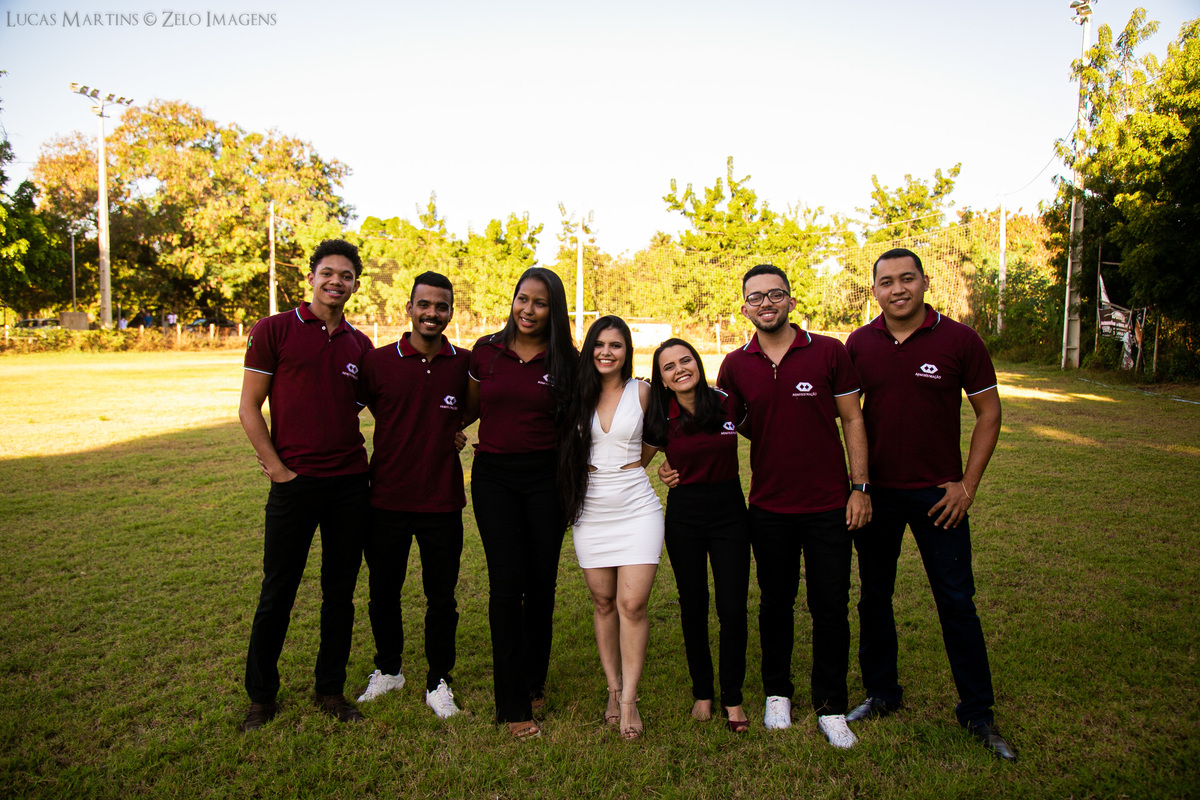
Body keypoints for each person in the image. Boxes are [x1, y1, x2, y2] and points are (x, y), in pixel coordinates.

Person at [675, 263, 871, 750]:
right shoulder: (735, 365)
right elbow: (717, 426)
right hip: (767, 506)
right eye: (756, 297)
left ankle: (831, 705)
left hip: (829, 504)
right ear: (744, 308)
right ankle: (777, 692)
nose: (766, 303)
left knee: (830, 605)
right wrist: (672, 463)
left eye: (775, 294)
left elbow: (851, 419)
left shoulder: (828, 351)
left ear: (790, 301)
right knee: (775, 604)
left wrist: (860, 487)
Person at [845, 248, 1015, 761]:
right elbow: (845, 417)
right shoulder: (858, 344)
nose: (897, 289)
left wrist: (967, 485)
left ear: (924, 282)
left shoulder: (960, 339)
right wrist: (858, 484)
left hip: (939, 496)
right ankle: (882, 693)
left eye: (907, 279)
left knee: (957, 602)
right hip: (877, 494)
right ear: (873, 289)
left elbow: (990, 412)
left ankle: (977, 712)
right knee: (874, 596)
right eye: (886, 282)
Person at [237, 238, 373, 731]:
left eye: (347, 276)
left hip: (350, 486)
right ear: (311, 277)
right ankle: (261, 698)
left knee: (340, 593)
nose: (337, 282)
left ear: (355, 285)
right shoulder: (274, 330)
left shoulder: (360, 345)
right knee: (279, 591)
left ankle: (330, 690)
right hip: (294, 485)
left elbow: (358, 403)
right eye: (328, 273)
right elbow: (250, 406)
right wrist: (277, 469)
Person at [465, 267, 578, 739]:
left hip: (546, 480)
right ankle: (512, 705)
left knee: (542, 585)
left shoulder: (567, 361)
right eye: (522, 299)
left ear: (554, 310)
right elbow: (472, 405)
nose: (528, 310)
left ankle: (533, 680)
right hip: (494, 480)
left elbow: (585, 421)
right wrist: (452, 431)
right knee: (507, 586)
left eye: (540, 303)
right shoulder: (486, 350)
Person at [354, 271, 471, 719]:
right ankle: (388, 669)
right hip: (385, 498)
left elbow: (475, 405)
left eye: (441, 307)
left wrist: (457, 429)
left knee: (441, 597)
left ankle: (439, 680)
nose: (432, 314)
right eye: (424, 305)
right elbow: (349, 409)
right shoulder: (378, 361)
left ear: (450, 312)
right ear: (409, 308)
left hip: (442, 499)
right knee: (384, 591)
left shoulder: (462, 363)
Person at [560, 316, 664, 740]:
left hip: (637, 509)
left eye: (616, 346)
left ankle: (629, 701)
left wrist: (635, 466)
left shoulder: (641, 391)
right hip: (591, 511)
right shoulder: (575, 393)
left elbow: (657, 436)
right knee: (604, 604)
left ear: (627, 351)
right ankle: (612, 687)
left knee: (632, 606)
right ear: (590, 348)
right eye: (600, 344)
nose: (606, 352)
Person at [645, 338, 751, 733]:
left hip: (730, 515)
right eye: (668, 367)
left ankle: (734, 697)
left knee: (732, 608)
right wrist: (659, 470)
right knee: (694, 606)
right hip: (685, 518)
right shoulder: (660, 414)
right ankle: (703, 692)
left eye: (685, 360)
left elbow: (765, 430)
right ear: (663, 379)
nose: (679, 370)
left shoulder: (726, 401)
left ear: (697, 362)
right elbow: (636, 460)